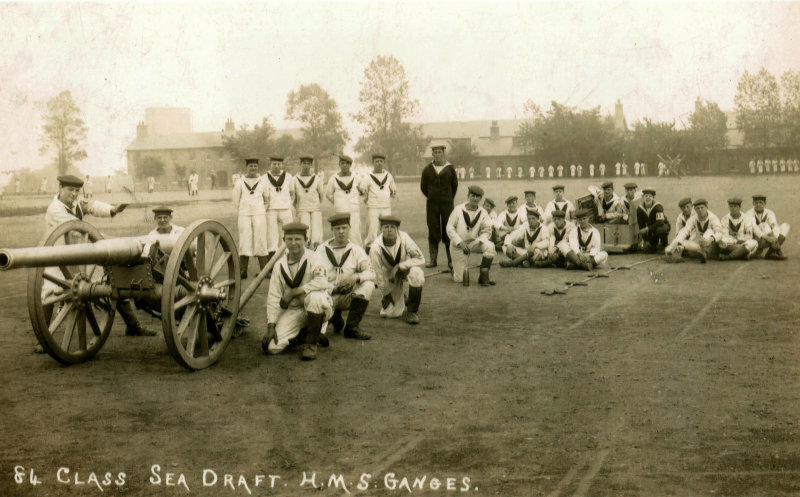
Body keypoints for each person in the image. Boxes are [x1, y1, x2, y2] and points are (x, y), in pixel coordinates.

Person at [42, 175, 151, 351]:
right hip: (59, 256)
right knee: (48, 293)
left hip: (81, 254)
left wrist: (112, 210)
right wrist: (106, 241)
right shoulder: (55, 209)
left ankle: (133, 326)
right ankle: (43, 339)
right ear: (60, 189)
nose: (74, 194)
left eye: (77, 191)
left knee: (111, 280)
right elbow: (77, 230)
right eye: (70, 190)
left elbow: (91, 205)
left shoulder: (76, 201)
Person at [261, 222, 333, 361]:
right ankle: (307, 334)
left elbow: (322, 281)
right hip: (294, 311)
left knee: (315, 297)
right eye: (289, 239)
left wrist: (294, 292)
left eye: (298, 239)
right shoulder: (279, 265)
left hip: (320, 308)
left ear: (306, 240)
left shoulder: (315, 257)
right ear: (284, 241)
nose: (293, 243)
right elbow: (274, 297)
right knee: (271, 347)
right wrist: (271, 325)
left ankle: (311, 345)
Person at [314, 213, 375, 340]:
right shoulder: (321, 250)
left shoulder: (356, 250)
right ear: (332, 230)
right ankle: (334, 317)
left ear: (349, 228)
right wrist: (331, 289)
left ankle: (352, 327)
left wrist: (356, 277)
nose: (341, 232)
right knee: (316, 332)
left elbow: (371, 273)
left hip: (347, 294)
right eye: (337, 229)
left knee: (368, 285)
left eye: (344, 228)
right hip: (327, 294)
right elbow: (314, 277)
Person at [369, 215, 425, 324]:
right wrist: (385, 294)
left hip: (405, 270)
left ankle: (412, 311)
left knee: (417, 273)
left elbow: (420, 258)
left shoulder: (404, 237)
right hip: (389, 276)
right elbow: (378, 272)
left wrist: (400, 266)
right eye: (386, 227)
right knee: (392, 314)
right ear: (381, 229)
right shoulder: (375, 247)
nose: (389, 230)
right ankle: (402, 298)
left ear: (397, 229)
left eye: (392, 227)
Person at [445, 185, 496, 286]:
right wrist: (460, 243)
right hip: (458, 245)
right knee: (460, 279)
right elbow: (449, 228)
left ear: (480, 199)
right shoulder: (458, 209)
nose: (475, 199)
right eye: (473, 196)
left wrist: (477, 241)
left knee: (490, 246)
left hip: (473, 243)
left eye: (478, 197)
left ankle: (483, 275)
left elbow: (487, 231)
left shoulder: (483, 212)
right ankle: (454, 268)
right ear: (468, 196)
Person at [420, 144, 457, 269]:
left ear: (443, 153)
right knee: (433, 230)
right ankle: (433, 259)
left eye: (439, 152)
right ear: (432, 155)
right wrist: (432, 196)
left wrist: (447, 198)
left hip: (447, 204)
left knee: (448, 230)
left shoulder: (450, 169)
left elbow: (454, 186)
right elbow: (423, 187)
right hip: (432, 205)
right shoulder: (427, 169)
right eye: (435, 152)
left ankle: (450, 260)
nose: (437, 154)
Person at [232, 158, 270, 279]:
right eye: (250, 166)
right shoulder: (240, 182)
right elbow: (236, 199)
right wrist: (243, 210)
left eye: (255, 166)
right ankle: (242, 270)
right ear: (246, 167)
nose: (253, 168)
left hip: (259, 213)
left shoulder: (262, 181)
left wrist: (261, 210)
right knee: (244, 240)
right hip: (244, 214)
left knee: (260, 239)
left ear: (257, 167)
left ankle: (264, 270)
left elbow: (267, 198)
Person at [360, 153, 397, 248]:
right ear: (373, 163)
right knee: (372, 229)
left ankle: (387, 246)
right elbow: (362, 192)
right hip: (373, 207)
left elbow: (393, 191)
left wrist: (388, 201)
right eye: (377, 161)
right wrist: (367, 200)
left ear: (384, 163)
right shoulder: (367, 177)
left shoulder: (388, 176)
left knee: (387, 228)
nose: (379, 163)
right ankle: (370, 248)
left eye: (381, 161)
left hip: (386, 207)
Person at [327, 155, 364, 247]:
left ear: (350, 165)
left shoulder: (357, 177)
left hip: (354, 210)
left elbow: (363, 191)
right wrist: (338, 203)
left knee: (355, 235)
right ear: (339, 165)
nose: (344, 166)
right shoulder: (333, 179)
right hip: (340, 211)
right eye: (342, 163)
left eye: (347, 164)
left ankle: (358, 256)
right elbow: (328, 194)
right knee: (340, 235)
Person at [264, 156, 295, 259]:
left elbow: (292, 193)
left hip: (285, 209)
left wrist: (289, 204)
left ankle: (288, 256)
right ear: (270, 165)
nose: (276, 166)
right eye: (274, 164)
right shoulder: (264, 178)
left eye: (278, 164)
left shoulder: (289, 176)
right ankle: (272, 261)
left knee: (288, 232)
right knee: (272, 235)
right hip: (271, 210)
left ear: (282, 165)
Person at [293, 155, 325, 249]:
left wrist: (316, 205)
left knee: (316, 234)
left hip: (315, 209)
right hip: (302, 209)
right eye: (304, 164)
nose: (306, 166)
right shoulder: (295, 179)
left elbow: (321, 194)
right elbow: (293, 197)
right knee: (305, 233)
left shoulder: (316, 178)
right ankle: (305, 254)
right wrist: (298, 207)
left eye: (308, 164)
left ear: (311, 165)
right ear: (300, 164)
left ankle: (316, 253)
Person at [746, 194, 789, 260]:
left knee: (785, 226)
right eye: (756, 203)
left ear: (765, 203)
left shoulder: (770, 212)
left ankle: (770, 253)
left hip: (769, 240)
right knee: (764, 225)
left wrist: (775, 237)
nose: (758, 205)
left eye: (760, 202)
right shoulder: (749, 213)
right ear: (753, 203)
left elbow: (774, 225)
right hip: (756, 241)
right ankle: (779, 251)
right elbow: (754, 228)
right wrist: (767, 237)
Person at [636, 188, 670, 252]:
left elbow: (660, 222)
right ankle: (655, 244)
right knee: (649, 249)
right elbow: (641, 226)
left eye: (650, 196)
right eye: (646, 196)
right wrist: (646, 240)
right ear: (643, 197)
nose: (648, 198)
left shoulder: (658, 206)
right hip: (652, 229)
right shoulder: (639, 209)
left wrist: (647, 228)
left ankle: (664, 244)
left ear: (653, 198)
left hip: (663, 225)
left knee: (661, 229)